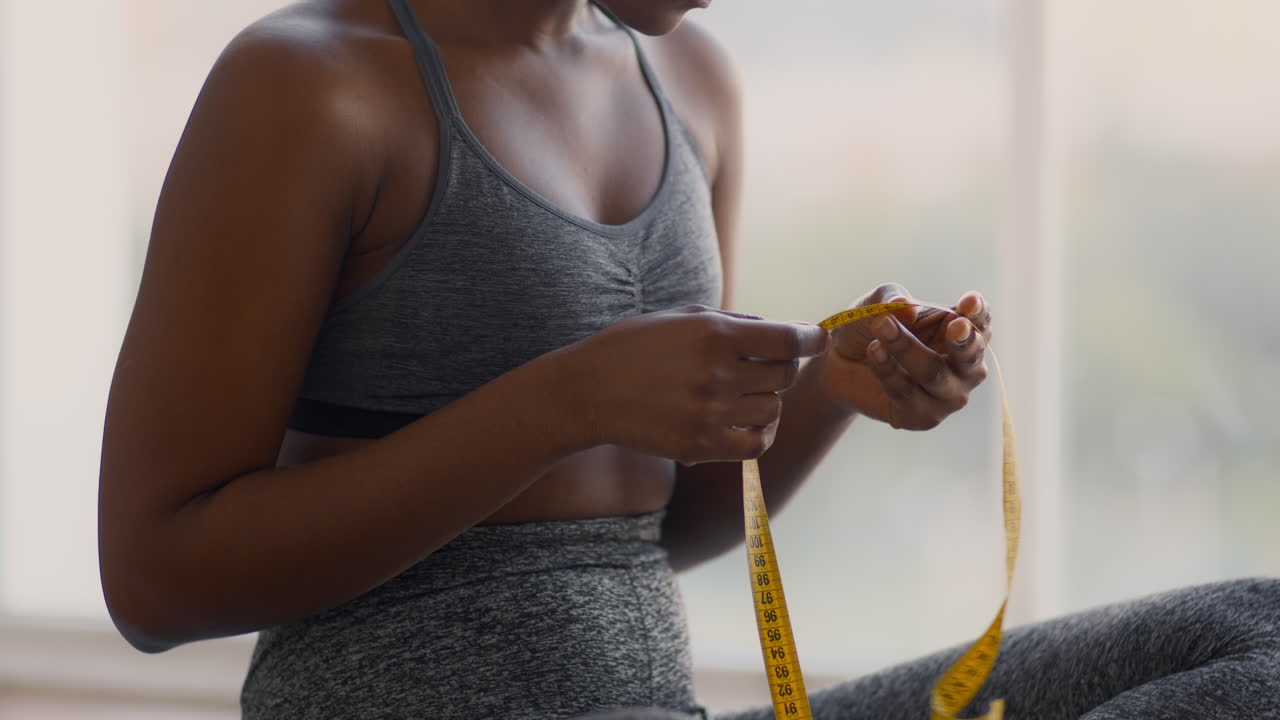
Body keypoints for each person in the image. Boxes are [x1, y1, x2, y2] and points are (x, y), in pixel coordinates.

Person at [97, 1, 1279, 718]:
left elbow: (671, 522)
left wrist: (826, 393)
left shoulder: (692, 82)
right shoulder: (307, 85)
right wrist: (565, 400)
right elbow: (154, 581)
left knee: (1253, 636)